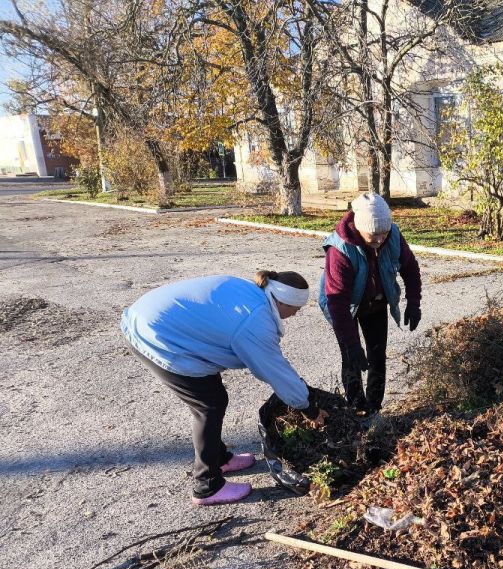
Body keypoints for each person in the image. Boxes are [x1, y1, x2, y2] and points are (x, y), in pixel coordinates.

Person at [121, 270, 323, 506]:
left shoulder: (253, 293)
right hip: (156, 337)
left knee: (213, 396)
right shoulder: (255, 321)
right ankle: (207, 486)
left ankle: (220, 458)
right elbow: (274, 370)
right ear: (282, 301)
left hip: (152, 319)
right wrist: (307, 407)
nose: (296, 314)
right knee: (208, 406)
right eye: (295, 309)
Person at [319, 192, 422, 415]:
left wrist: (413, 302)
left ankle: (374, 408)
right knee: (351, 358)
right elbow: (336, 301)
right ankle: (356, 408)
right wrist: (352, 343)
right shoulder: (340, 250)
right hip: (345, 308)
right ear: (359, 226)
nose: (379, 240)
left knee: (377, 355)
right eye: (373, 234)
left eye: (383, 233)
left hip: (375, 304)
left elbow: (410, 268)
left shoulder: (393, 236)